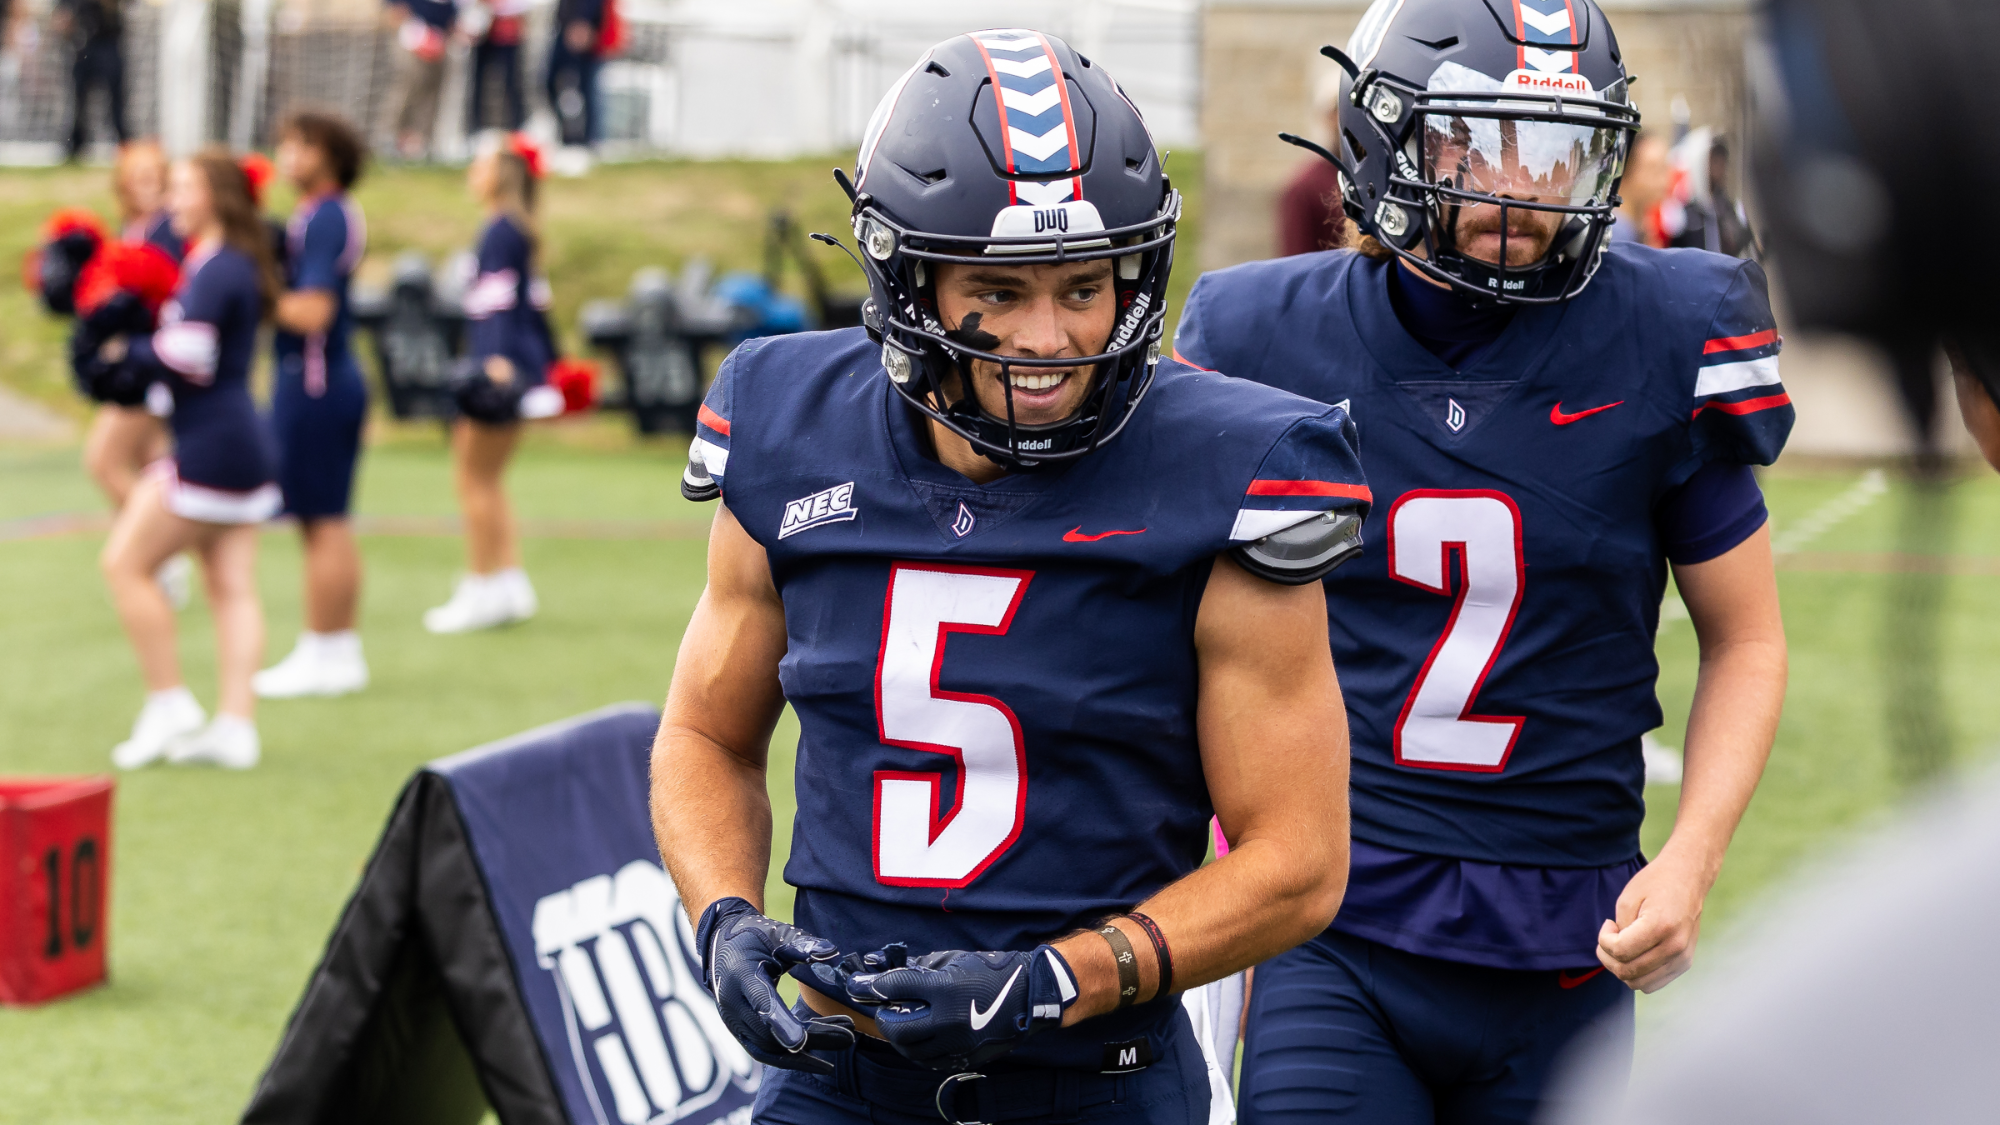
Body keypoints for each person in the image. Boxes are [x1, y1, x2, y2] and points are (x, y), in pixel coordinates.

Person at [651, 29, 1368, 1125]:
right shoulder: (785, 423)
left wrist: (1049, 983)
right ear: (904, 276)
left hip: (1095, 1084)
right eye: (998, 288)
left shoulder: (1229, 469)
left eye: (1084, 286)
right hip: (838, 1082)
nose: (1050, 338)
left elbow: (1297, 861)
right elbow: (705, 735)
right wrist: (723, 919)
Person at [1173, 0, 1792, 1120]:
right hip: (1334, 918)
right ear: (1382, 138)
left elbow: (1744, 636)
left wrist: (1689, 862)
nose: (1519, 186)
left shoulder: (1661, 327)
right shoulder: (1260, 336)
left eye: (1556, 151)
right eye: (1477, 141)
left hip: (1569, 937)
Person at [93, 149, 283, 770]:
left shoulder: (220, 266)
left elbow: (189, 353)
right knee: (230, 586)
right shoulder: (221, 262)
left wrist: (124, 353)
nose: (172, 199)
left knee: (124, 563)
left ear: (218, 196)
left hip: (212, 444)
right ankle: (236, 725)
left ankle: (168, 701)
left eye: (184, 188)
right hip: (234, 440)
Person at [253, 111, 372, 698]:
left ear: (327, 152)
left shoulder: (326, 214)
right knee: (322, 518)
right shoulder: (314, 214)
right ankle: (333, 647)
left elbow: (313, 311)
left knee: (321, 518)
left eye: (299, 145)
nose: (287, 156)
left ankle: (325, 648)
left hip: (317, 382)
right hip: (319, 380)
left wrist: (254, 285)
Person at [421, 133, 552, 633]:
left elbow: (499, 304)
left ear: (500, 173)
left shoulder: (500, 229)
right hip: (517, 366)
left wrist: (495, 362)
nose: (471, 175)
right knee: (489, 479)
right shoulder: (516, 227)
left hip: (498, 368)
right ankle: (509, 583)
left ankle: (479, 588)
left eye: (478, 165)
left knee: (471, 478)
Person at [1277, 69, 1349, 257]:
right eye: (1341, 109)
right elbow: (1296, 262)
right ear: (1328, 117)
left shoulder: (1382, 177)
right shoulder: (1304, 188)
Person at [383, 0, 456, 160]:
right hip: (411, 40)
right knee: (408, 89)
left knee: (432, 95)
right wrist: (420, 37)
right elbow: (395, 10)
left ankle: (420, 143)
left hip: (441, 41)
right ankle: (392, 138)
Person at [53, 0, 127, 159]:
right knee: (78, 98)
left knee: (115, 99)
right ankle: (75, 144)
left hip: (108, 39)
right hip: (83, 40)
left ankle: (124, 145)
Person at [545, 0, 603, 150]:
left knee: (587, 87)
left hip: (585, 28)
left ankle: (589, 139)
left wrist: (584, 21)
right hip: (564, 27)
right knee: (549, 82)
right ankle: (565, 134)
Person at [466, 0, 527, 132]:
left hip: (507, 31)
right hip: (482, 31)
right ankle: (475, 127)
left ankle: (517, 126)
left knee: (512, 81)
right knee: (477, 82)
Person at [1612, 131, 1669, 246]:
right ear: (1624, 172)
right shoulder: (1616, 235)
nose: (1664, 181)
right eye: (1654, 171)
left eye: (1665, 169)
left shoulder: (1639, 228)